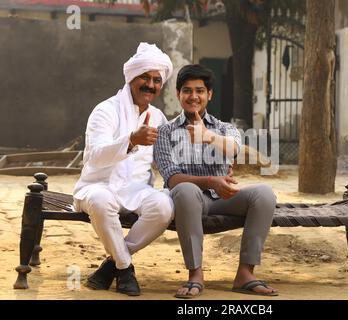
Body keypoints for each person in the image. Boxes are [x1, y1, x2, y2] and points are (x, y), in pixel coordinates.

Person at [155, 64, 278, 299]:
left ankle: (245, 273)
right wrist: (211, 181)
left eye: (200, 91)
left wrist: (208, 136)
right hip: (188, 201)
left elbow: (233, 148)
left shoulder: (224, 128)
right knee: (185, 190)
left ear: (209, 94)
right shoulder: (165, 132)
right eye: (187, 90)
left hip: (224, 198)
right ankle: (195, 274)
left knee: (264, 193)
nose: (194, 96)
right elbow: (171, 178)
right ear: (178, 94)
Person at [73, 43, 174, 296]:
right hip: (97, 186)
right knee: (101, 200)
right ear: (131, 77)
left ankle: (111, 265)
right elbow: (95, 156)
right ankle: (125, 269)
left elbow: (167, 159)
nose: (151, 85)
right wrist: (131, 140)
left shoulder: (158, 117)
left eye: (156, 80)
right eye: (145, 77)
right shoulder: (105, 111)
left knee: (164, 206)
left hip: (137, 190)